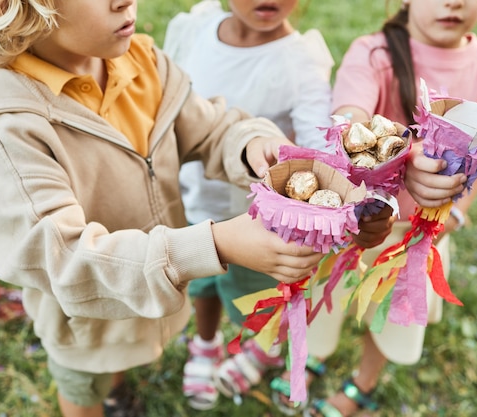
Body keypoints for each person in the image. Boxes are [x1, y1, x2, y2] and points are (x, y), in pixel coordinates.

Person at [0, 0, 331, 416]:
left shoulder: (140, 62)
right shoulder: (11, 129)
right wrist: (216, 244)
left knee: (125, 360)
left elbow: (211, 128)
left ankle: (119, 385)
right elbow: (65, 258)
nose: (125, 1)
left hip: (155, 294)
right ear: (25, 7)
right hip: (86, 327)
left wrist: (251, 144)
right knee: (84, 389)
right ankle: (105, 395)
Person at [272, 0, 477, 416]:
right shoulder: (374, 55)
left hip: (418, 235)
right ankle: (315, 357)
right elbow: (352, 115)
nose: (454, 2)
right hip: (360, 223)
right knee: (326, 300)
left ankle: (363, 381)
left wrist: (457, 212)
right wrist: (397, 155)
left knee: (388, 314)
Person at [162, 0, 339, 410]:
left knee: (258, 298)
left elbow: (315, 140)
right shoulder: (196, 28)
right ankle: (206, 343)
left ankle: (264, 348)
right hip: (194, 199)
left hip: (261, 224)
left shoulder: (300, 60)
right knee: (201, 280)